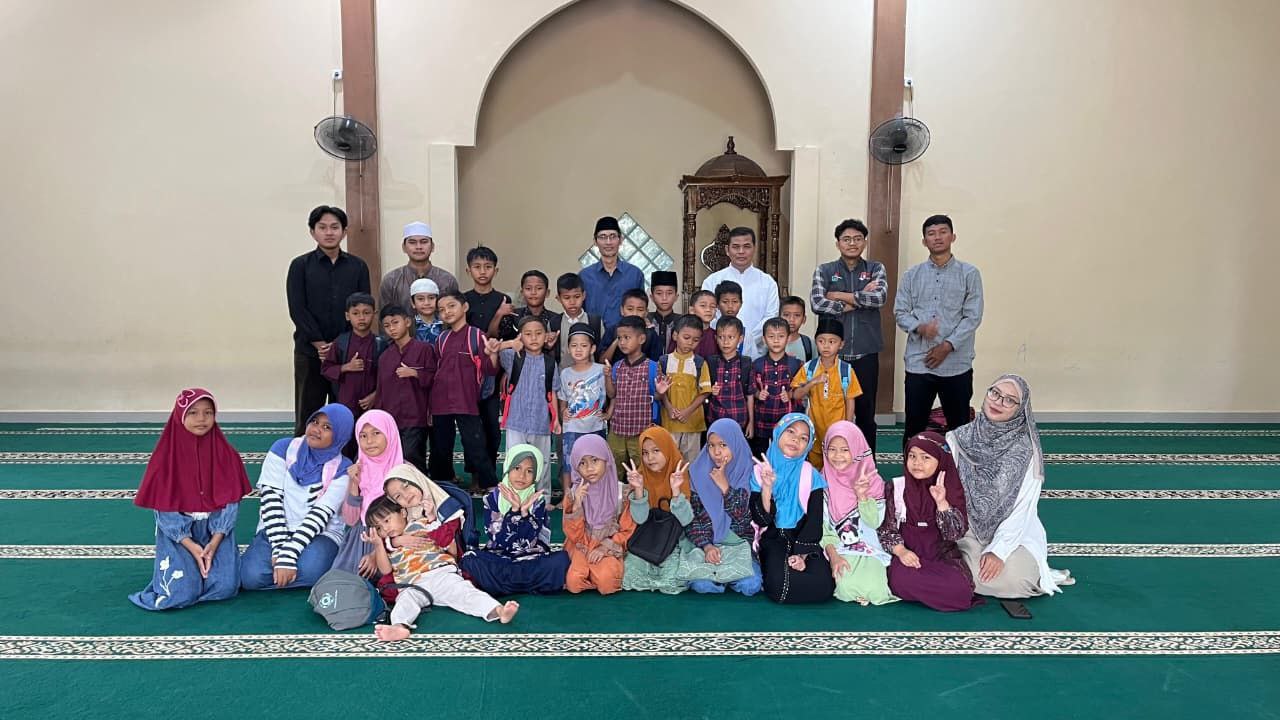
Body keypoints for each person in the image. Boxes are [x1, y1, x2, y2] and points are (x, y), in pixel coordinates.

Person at [951, 374, 1072, 598]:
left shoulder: (1026, 451)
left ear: (1020, 409)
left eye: (1009, 400)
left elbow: (1024, 508)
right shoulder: (958, 438)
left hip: (1012, 532)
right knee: (945, 564)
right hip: (964, 530)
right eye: (995, 393)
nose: (998, 402)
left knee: (1015, 580)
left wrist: (999, 551)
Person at [129, 389, 252, 611]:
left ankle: (200, 575)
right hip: (179, 535)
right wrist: (191, 546)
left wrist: (214, 542)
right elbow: (164, 509)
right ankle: (190, 578)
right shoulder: (165, 459)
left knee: (225, 588)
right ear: (180, 416)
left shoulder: (227, 455)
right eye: (193, 412)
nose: (201, 419)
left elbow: (230, 503)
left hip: (216, 532)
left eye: (208, 412)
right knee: (180, 593)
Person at [364, 495, 518, 642]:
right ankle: (399, 626)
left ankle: (498, 610)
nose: (385, 528)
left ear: (403, 513)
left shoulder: (422, 523)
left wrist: (431, 516)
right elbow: (385, 570)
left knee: (465, 592)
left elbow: (443, 537)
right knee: (404, 601)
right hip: (412, 584)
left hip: (440, 574)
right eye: (379, 527)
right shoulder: (386, 544)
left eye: (387, 520)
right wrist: (378, 544)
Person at [241, 404, 354, 591]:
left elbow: (320, 515)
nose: (316, 429)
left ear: (340, 435)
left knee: (311, 571)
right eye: (314, 422)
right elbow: (271, 501)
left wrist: (289, 554)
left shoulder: (343, 468)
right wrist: (280, 549)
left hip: (320, 534)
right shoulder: (282, 449)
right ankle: (286, 573)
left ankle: (282, 573)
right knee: (250, 578)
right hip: (275, 528)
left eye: (327, 427)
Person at [894, 214, 984, 444]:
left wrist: (947, 345)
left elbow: (973, 316)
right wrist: (920, 328)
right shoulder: (911, 275)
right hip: (919, 362)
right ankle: (912, 467)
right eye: (931, 233)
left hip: (956, 363)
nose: (937, 237)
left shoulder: (969, 274)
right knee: (914, 427)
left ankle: (958, 468)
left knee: (959, 428)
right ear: (924, 241)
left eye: (943, 232)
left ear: (953, 237)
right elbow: (900, 312)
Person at [286, 205, 371, 435]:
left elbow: (363, 308)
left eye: (335, 227)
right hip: (310, 352)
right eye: (322, 227)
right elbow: (297, 308)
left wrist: (339, 344)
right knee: (308, 412)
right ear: (312, 232)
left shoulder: (358, 266)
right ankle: (303, 455)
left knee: (344, 412)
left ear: (344, 232)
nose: (329, 232)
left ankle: (344, 455)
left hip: (347, 353)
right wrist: (319, 344)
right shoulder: (300, 266)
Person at [877, 431, 980, 612]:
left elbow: (954, 534)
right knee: (898, 581)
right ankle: (932, 592)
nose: (917, 463)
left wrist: (942, 503)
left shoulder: (950, 487)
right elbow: (886, 529)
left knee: (961, 589)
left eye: (925, 457)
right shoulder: (896, 487)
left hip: (941, 556)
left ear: (940, 460)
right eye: (912, 456)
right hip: (909, 555)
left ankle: (924, 591)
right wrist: (901, 552)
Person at [811, 219, 888, 451]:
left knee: (865, 414)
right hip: (833, 357)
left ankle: (866, 464)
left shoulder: (875, 268)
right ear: (838, 243)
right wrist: (859, 297)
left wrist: (838, 295)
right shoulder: (824, 270)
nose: (852, 243)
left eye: (857, 239)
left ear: (864, 242)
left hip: (866, 353)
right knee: (828, 411)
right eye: (846, 239)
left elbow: (879, 298)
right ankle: (828, 462)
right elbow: (817, 303)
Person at [461, 445, 571, 596]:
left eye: (529, 471)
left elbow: (528, 541)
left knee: (561, 559)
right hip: (500, 557)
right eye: (517, 468)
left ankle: (502, 586)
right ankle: (527, 585)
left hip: (530, 558)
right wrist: (514, 511)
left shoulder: (537, 501)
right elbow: (500, 540)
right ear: (508, 468)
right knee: (470, 559)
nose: (522, 476)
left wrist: (525, 513)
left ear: (536, 475)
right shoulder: (492, 499)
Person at [750, 413, 834, 604]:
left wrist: (802, 554)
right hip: (771, 538)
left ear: (809, 445)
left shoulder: (810, 475)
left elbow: (814, 521)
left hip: (802, 537)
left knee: (824, 585)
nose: (796, 440)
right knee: (779, 586)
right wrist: (767, 488)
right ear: (778, 432)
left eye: (804, 438)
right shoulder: (759, 471)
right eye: (790, 432)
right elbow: (761, 520)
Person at [428, 291, 500, 490]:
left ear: (465, 307)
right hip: (440, 400)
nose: (447, 312)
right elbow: (436, 369)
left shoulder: (476, 335)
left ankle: (488, 484)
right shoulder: (442, 338)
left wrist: (493, 355)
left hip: (466, 400)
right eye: (441, 309)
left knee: (475, 443)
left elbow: (489, 369)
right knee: (441, 445)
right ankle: (442, 483)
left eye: (451, 306)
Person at [819, 421, 895, 605]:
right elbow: (824, 527)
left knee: (876, 591)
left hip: (870, 545)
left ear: (857, 449)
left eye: (845, 450)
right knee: (845, 588)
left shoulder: (872, 481)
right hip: (838, 546)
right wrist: (834, 557)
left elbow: (875, 523)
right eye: (832, 449)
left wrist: (862, 496)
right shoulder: (823, 481)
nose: (838, 456)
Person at [684, 419, 762, 595]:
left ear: (735, 443)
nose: (716, 452)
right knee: (702, 585)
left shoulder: (750, 472)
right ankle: (723, 576)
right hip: (708, 545)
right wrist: (706, 546)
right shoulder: (697, 472)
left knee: (751, 585)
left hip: (739, 545)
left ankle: (727, 576)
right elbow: (692, 518)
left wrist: (725, 487)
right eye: (711, 445)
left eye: (723, 445)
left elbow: (743, 518)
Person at [491, 315, 561, 495]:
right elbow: (492, 348)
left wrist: (556, 420)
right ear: (520, 336)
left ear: (546, 336)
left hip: (541, 421)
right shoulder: (512, 356)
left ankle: (543, 498)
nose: (534, 338)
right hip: (516, 420)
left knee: (542, 461)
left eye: (539, 333)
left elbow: (552, 392)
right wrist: (511, 343)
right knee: (514, 460)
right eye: (528, 334)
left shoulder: (550, 363)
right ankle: (511, 497)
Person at [620, 427, 694, 594]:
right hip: (648, 537)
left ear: (667, 449)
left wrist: (676, 491)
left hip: (674, 540)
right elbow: (640, 519)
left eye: (656, 451)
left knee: (673, 580)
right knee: (628, 575)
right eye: (645, 453)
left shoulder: (679, 473)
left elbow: (686, 520)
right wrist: (638, 490)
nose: (650, 458)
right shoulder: (640, 475)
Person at [331, 410, 404, 577]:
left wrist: (377, 552)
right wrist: (354, 484)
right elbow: (350, 520)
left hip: (396, 538)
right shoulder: (358, 469)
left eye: (376, 433)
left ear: (390, 433)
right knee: (344, 581)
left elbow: (411, 518)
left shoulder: (404, 471)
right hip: (362, 538)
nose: (369, 441)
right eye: (363, 436)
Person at [563, 434, 636, 594]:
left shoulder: (620, 492)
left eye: (595, 460)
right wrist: (577, 506)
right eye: (582, 463)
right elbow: (573, 535)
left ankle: (595, 574)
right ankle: (590, 574)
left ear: (606, 459)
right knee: (574, 583)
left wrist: (605, 547)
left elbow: (627, 529)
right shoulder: (574, 494)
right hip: (581, 545)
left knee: (607, 583)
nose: (589, 468)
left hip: (608, 545)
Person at [463, 246, 511, 473]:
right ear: (468, 270)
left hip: (494, 370)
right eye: (477, 267)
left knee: (492, 425)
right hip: (467, 372)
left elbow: (499, 338)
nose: (482, 272)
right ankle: (475, 474)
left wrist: (500, 313)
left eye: (488, 267)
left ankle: (489, 473)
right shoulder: (462, 300)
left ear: (496, 270)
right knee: (471, 426)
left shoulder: (503, 300)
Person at [789, 318, 861, 467]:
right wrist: (812, 382)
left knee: (837, 467)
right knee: (815, 467)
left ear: (841, 344)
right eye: (821, 341)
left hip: (838, 432)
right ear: (816, 342)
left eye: (832, 342)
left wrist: (847, 427)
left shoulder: (846, 371)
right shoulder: (809, 368)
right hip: (814, 430)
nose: (826, 346)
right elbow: (795, 395)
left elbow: (850, 400)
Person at [373, 305, 436, 473]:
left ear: (407, 322)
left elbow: (434, 378)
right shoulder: (385, 357)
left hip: (416, 415)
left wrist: (415, 373)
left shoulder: (424, 349)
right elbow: (381, 389)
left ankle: (420, 486)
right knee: (394, 457)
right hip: (392, 417)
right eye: (387, 325)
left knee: (412, 455)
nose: (392, 329)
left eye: (395, 322)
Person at [701, 226, 779, 359]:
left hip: (758, 353)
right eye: (736, 247)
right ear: (727, 250)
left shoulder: (767, 282)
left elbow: (771, 316)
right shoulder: (712, 281)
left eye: (746, 246)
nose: (741, 251)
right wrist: (727, 336)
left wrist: (747, 338)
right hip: (719, 350)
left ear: (754, 248)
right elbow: (707, 315)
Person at [557, 323, 613, 506]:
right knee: (569, 462)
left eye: (583, 345)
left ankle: (597, 498)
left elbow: (612, 394)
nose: (578, 349)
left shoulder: (600, 370)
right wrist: (563, 412)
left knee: (597, 462)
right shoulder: (565, 373)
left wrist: (609, 412)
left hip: (595, 426)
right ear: (568, 348)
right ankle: (568, 496)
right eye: (574, 345)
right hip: (572, 427)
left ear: (592, 348)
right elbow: (563, 400)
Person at [606, 316, 664, 472]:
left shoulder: (653, 367)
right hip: (618, 429)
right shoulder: (617, 366)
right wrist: (607, 377)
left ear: (641, 339)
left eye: (627, 337)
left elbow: (658, 397)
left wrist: (661, 393)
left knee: (642, 469)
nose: (622, 342)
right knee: (614, 468)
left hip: (642, 430)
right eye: (619, 338)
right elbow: (612, 394)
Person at [320, 292, 381, 435]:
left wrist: (375, 395)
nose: (361, 317)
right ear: (347, 316)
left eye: (366, 313)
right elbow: (326, 369)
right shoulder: (340, 343)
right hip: (346, 402)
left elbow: (388, 377)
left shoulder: (381, 344)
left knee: (369, 437)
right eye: (356, 313)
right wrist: (346, 367)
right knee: (346, 436)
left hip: (372, 403)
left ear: (374, 314)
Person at [657, 315, 712, 463]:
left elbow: (705, 391)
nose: (690, 343)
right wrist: (669, 407)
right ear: (675, 335)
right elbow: (660, 390)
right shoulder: (664, 361)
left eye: (696, 340)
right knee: (669, 460)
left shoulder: (699, 363)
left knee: (691, 462)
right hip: (669, 422)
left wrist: (688, 411)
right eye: (686, 337)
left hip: (692, 423)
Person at [581, 216, 645, 332]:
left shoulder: (635, 274)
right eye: (602, 237)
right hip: (593, 337)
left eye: (613, 236)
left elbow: (641, 309)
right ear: (595, 241)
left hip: (627, 338)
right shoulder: (584, 276)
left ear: (620, 240)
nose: (608, 242)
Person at [379, 221, 460, 311]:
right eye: (412, 242)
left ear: (432, 246)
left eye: (424, 242)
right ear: (404, 247)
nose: (418, 247)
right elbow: (385, 317)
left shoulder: (447, 280)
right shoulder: (391, 281)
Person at [751, 317, 802, 458]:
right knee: (761, 458)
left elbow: (801, 390)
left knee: (785, 457)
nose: (776, 340)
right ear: (764, 339)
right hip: (762, 422)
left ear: (788, 338)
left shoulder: (796, 364)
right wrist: (758, 394)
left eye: (781, 336)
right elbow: (751, 389)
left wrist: (791, 394)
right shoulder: (757, 364)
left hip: (787, 422)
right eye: (771, 336)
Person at [706, 316, 754, 436]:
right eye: (721, 337)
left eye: (731, 337)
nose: (725, 342)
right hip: (715, 418)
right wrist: (710, 390)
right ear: (716, 338)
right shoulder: (711, 362)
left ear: (740, 339)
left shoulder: (746, 363)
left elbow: (750, 395)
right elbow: (703, 391)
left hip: (739, 419)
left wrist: (751, 422)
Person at [495, 270, 561, 347]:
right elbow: (497, 339)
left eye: (539, 288)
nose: (533, 292)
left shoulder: (556, 319)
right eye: (528, 288)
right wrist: (498, 314)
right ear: (522, 292)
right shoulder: (512, 316)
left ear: (547, 293)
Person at [597, 288, 663, 364]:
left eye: (640, 310)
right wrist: (619, 338)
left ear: (646, 313)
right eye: (630, 309)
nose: (634, 313)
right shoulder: (612, 331)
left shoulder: (650, 335)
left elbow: (656, 364)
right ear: (622, 310)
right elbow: (602, 361)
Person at [554, 273, 602, 364]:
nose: (572, 302)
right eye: (566, 298)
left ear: (584, 295)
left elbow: (601, 350)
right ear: (559, 298)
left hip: (590, 372)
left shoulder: (595, 321)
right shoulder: (554, 323)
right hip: (563, 372)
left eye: (577, 296)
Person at [648, 270, 680, 351]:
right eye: (659, 293)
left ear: (676, 297)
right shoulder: (646, 320)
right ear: (652, 297)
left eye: (669, 293)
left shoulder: (683, 321)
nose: (664, 298)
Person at [409, 278, 445, 345]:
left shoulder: (446, 324)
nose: (427, 303)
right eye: (420, 299)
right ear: (413, 303)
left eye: (431, 298)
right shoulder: (408, 326)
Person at [685, 289, 720, 359]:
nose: (708, 310)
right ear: (692, 310)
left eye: (712, 306)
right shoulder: (682, 333)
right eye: (703, 305)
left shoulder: (717, 336)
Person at [779, 296, 814, 362]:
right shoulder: (770, 343)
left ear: (804, 319)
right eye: (786, 315)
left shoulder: (810, 344)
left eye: (797, 315)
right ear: (779, 317)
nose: (791, 319)